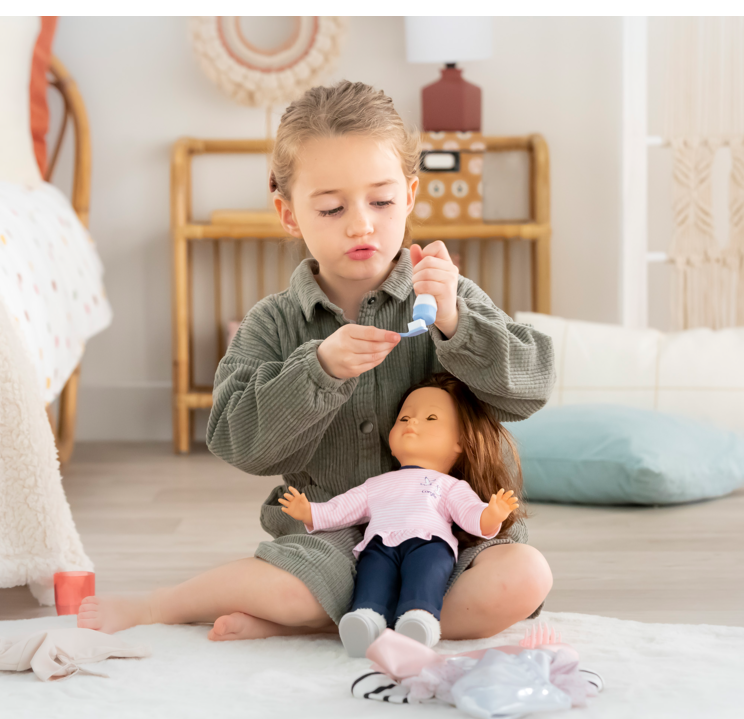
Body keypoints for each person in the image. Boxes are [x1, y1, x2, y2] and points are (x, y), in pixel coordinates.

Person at [77, 80, 556, 640]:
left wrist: (457, 324)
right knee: (291, 588)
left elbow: (531, 388)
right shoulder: (272, 323)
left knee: (524, 575)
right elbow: (235, 440)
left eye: (381, 201)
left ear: (410, 195)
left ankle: (337, 620)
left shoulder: (447, 297)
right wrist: (317, 371)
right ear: (288, 214)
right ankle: (160, 606)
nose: (361, 224)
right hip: (332, 537)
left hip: (451, 531)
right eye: (331, 207)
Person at [279, 373, 523, 657]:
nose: (412, 423)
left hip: (429, 544)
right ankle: (365, 620)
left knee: (426, 577)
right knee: (372, 577)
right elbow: (343, 508)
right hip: (380, 544)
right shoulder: (376, 484)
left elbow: (470, 514)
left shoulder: (449, 486)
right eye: (404, 418)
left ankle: (419, 619)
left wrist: (492, 514)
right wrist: (310, 512)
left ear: (460, 441)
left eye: (431, 418)